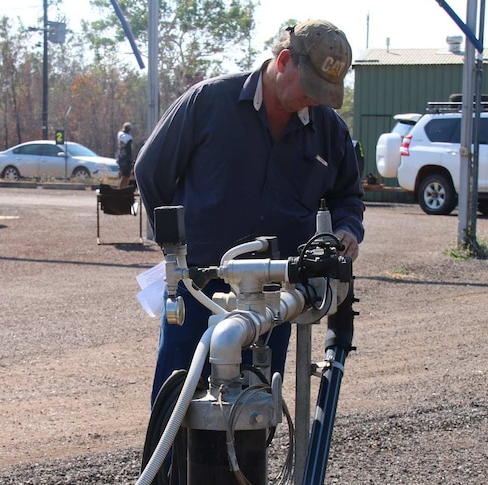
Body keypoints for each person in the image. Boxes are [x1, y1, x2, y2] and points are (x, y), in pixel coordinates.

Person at [134, 20, 364, 402]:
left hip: (274, 293)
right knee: (177, 402)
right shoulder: (208, 102)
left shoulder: (329, 130)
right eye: (311, 88)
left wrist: (348, 228)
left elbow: (348, 196)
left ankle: (244, 464)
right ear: (285, 61)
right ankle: (167, 464)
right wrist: (176, 249)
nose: (316, 100)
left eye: (326, 93)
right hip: (201, 287)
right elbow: (151, 170)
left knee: (256, 407)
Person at [116, 122, 134, 188]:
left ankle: (122, 188)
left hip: (120, 157)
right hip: (126, 159)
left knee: (123, 175)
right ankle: (122, 189)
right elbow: (129, 150)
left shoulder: (120, 135)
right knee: (126, 176)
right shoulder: (129, 138)